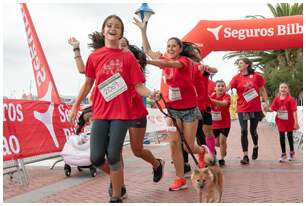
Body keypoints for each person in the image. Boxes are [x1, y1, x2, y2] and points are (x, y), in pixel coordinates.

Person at [68, 15, 158, 203]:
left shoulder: (128, 58)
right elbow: (88, 83)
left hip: (121, 113)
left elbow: (138, 86)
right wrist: (75, 106)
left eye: (117, 26)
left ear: (121, 34)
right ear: (104, 31)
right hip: (100, 112)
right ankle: (119, 182)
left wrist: (151, 93)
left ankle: (116, 196)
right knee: (96, 158)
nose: (113, 28)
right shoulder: (95, 56)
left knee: (114, 154)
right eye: (109, 25)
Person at [134, 17, 205, 191]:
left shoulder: (184, 62)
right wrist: (143, 30)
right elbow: (149, 50)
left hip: (189, 110)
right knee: (174, 144)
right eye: (168, 46)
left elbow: (168, 63)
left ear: (180, 49)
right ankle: (180, 179)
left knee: (189, 147)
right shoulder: (164, 57)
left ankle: (201, 151)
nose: (170, 49)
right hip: (171, 111)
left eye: (174, 46)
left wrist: (148, 62)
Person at [228, 57, 269, 165]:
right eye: (238, 63)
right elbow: (228, 87)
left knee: (253, 131)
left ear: (247, 65)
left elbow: (263, 90)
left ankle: (255, 146)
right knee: (243, 131)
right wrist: (220, 90)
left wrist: (267, 103)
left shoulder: (256, 76)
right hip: (242, 108)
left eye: (240, 63)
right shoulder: (236, 78)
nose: (239, 65)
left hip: (255, 108)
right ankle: (245, 155)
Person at [264, 83, 299, 162]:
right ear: (279, 89)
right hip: (280, 121)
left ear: (288, 90)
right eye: (281, 87)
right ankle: (283, 154)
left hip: (289, 121)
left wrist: (296, 122)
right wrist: (266, 109)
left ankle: (292, 152)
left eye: (285, 87)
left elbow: (294, 111)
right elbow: (272, 109)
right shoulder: (276, 99)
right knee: (282, 136)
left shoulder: (291, 99)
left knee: (290, 136)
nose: (283, 89)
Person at [210, 80, 231, 167]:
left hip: (225, 123)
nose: (220, 87)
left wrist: (211, 101)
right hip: (214, 123)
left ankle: (222, 159)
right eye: (218, 86)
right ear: (215, 88)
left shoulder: (227, 96)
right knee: (216, 143)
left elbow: (224, 104)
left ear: (225, 88)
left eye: (222, 86)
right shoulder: (212, 96)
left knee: (222, 141)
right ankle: (223, 148)